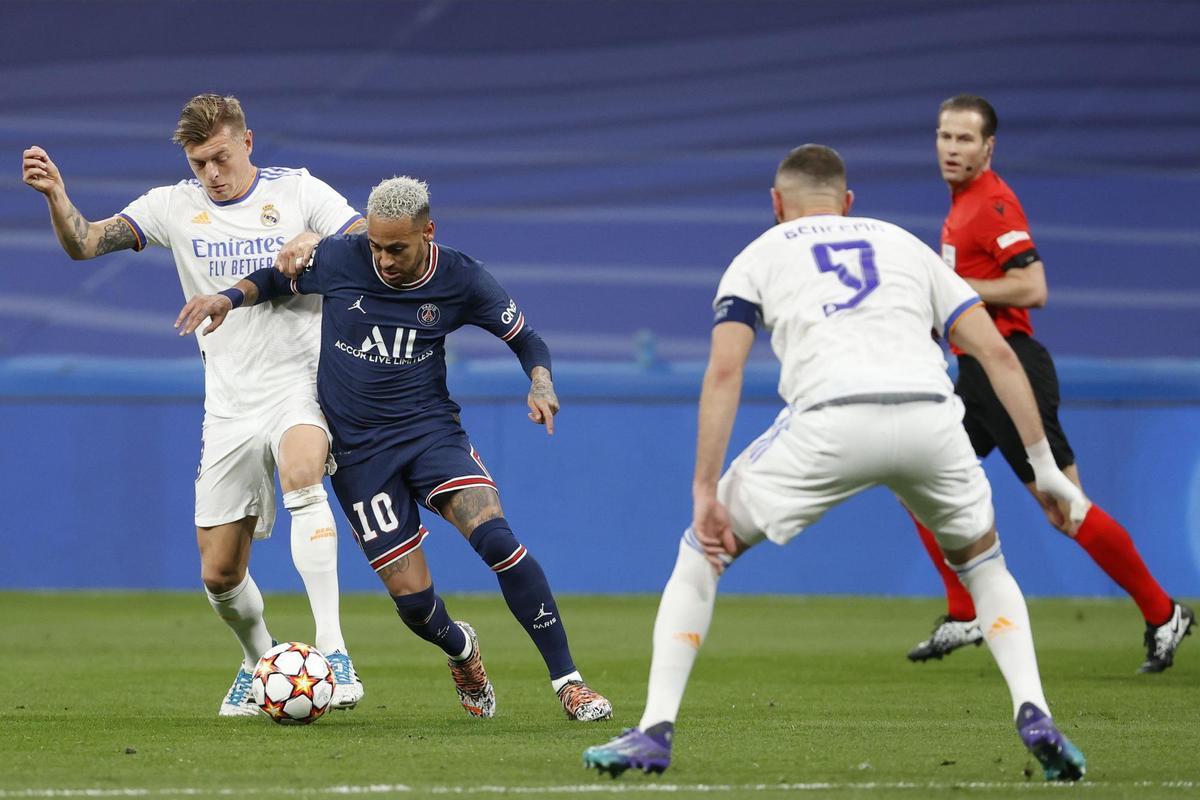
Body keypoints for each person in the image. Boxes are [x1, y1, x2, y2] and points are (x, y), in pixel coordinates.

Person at [582, 145, 1088, 781]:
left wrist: (705, 487)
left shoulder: (759, 254)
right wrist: (1042, 466)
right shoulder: (906, 245)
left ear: (776, 205)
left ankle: (654, 730)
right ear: (849, 203)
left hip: (832, 418)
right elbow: (1000, 356)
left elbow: (725, 370)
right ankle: (1034, 711)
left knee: (701, 552)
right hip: (933, 416)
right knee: (985, 564)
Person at [175, 175, 612, 722]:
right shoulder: (341, 257)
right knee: (414, 604)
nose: (382, 258)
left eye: (396, 248)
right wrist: (228, 297)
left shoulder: (462, 277)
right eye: (376, 246)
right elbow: (275, 279)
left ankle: (569, 683)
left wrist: (540, 382)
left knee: (498, 541)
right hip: (359, 456)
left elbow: (526, 338)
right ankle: (462, 650)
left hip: (430, 435)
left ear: (429, 232)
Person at [21, 93, 367, 716]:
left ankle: (334, 652)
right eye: (199, 160)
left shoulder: (298, 192)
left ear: (248, 142)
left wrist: (317, 236)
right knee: (219, 574)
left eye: (220, 156)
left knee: (303, 468)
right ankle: (260, 663)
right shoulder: (172, 206)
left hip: (298, 381)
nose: (211, 172)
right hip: (229, 403)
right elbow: (87, 243)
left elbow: (368, 234)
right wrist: (58, 199)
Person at [904, 95, 1193, 672]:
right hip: (977, 376)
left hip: (1011, 370)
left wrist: (952, 288)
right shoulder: (962, 205)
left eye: (964, 140)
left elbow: (1033, 287)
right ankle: (964, 613)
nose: (951, 149)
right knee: (917, 477)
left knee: (1064, 508)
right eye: (944, 136)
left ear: (989, 147)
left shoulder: (993, 205)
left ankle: (1164, 614)